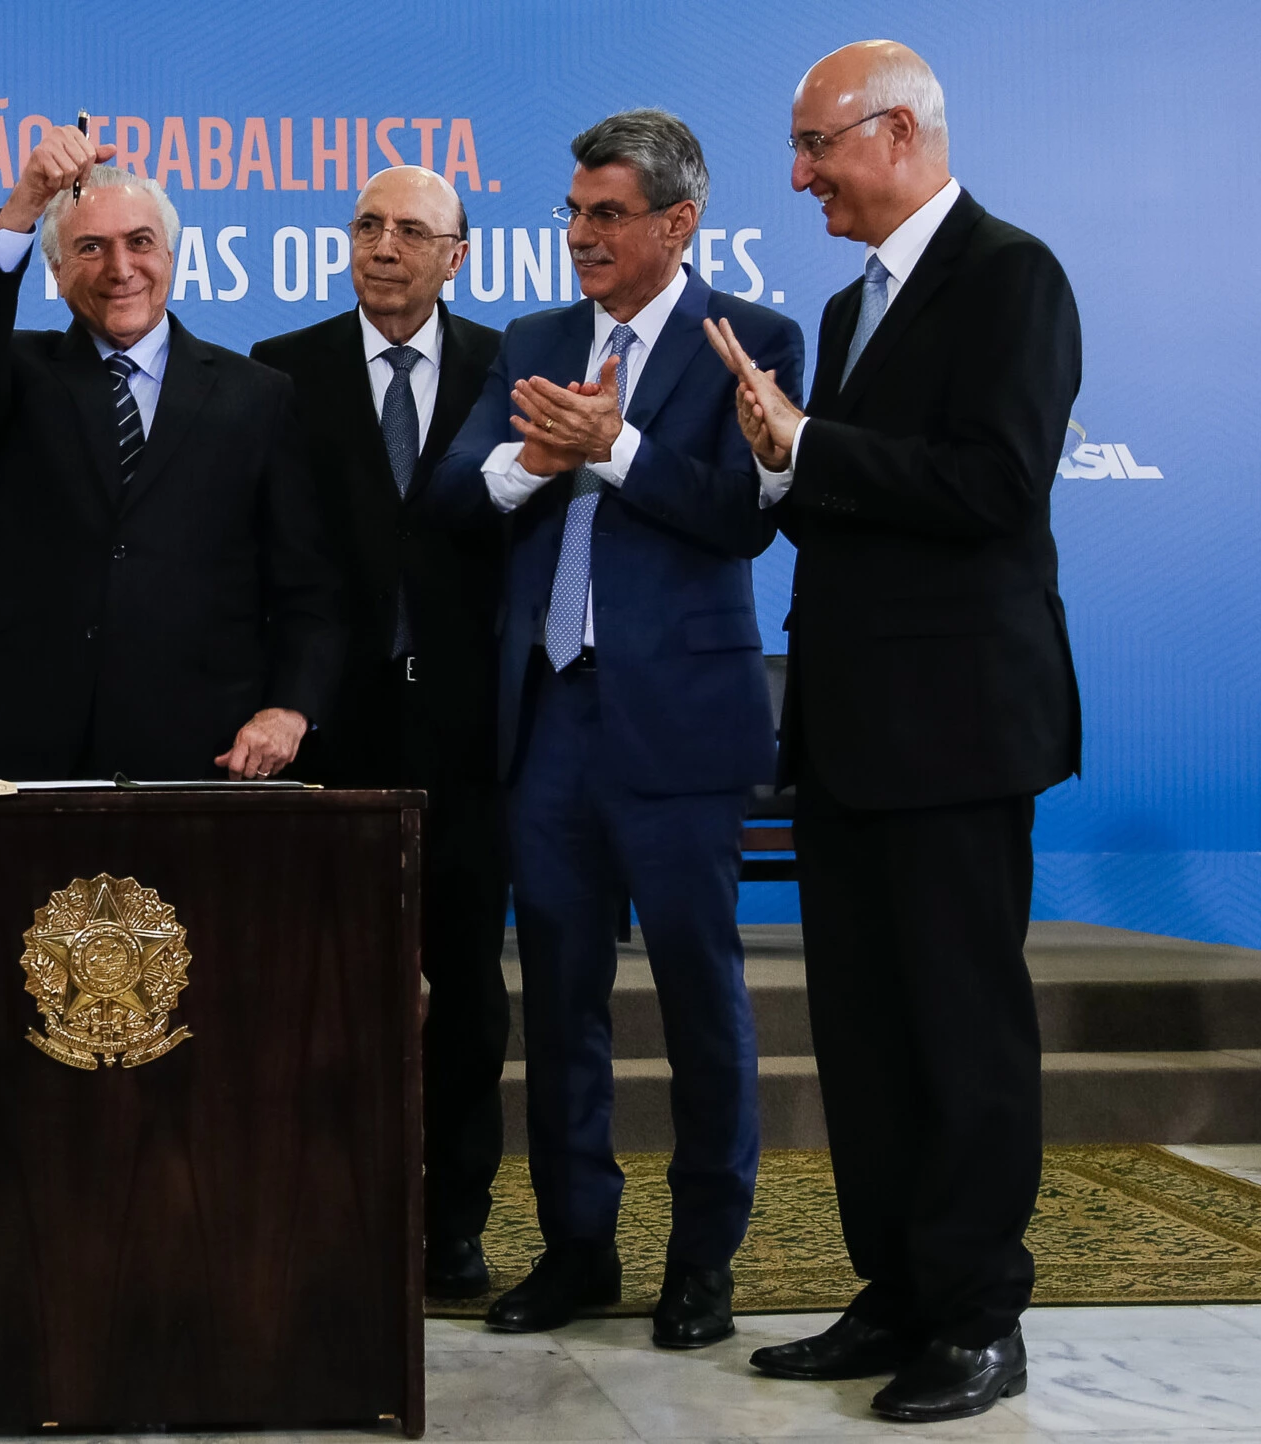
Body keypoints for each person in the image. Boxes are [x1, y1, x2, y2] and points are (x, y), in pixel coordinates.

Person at [707, 40, 1080, 1424]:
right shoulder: (851, 305)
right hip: (853, 731)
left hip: (963, 733)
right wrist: (779, 459)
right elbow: (850, 505)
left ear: (901, 134)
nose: (799, 176)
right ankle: (899, 1292)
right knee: (864, 1036)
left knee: (961, 1036)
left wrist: (815, 444)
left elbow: (993, 485)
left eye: (817, 147)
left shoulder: (1013, 277)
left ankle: (980, 1317)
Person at [433, 110, 802, 1349]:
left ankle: (702, 1260)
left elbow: (740, 520)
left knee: (701, 999)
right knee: (559, 1002)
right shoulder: (534, 342)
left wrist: (621, 444)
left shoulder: (754, 338)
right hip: (549, 720)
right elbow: (459, 490)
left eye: (606, 215)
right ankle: (577, 1247)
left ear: (676, 222)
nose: (581, 236)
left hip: (682, 724)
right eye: (572, 213)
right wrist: (539, 459)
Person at [249, 166, 510, 1300]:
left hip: (469, 725)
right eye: (367, 225)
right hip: (326, 726)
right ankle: (321, 1204)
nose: (384, 247)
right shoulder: (279, 372)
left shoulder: (512, 365)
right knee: (320, 984)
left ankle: (452, 1219)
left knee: (463, 981)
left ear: (457, 255)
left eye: (412, 231)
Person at [0, 127, 344, 781]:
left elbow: (307, 586)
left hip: (202, 748)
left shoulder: (257, 395)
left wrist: (290, 708)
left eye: (140, 243)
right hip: (22, 742)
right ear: (58, 272)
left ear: (171, 256)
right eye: (91, 248)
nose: (120, 269)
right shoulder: (18, 375)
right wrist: (25, 204)